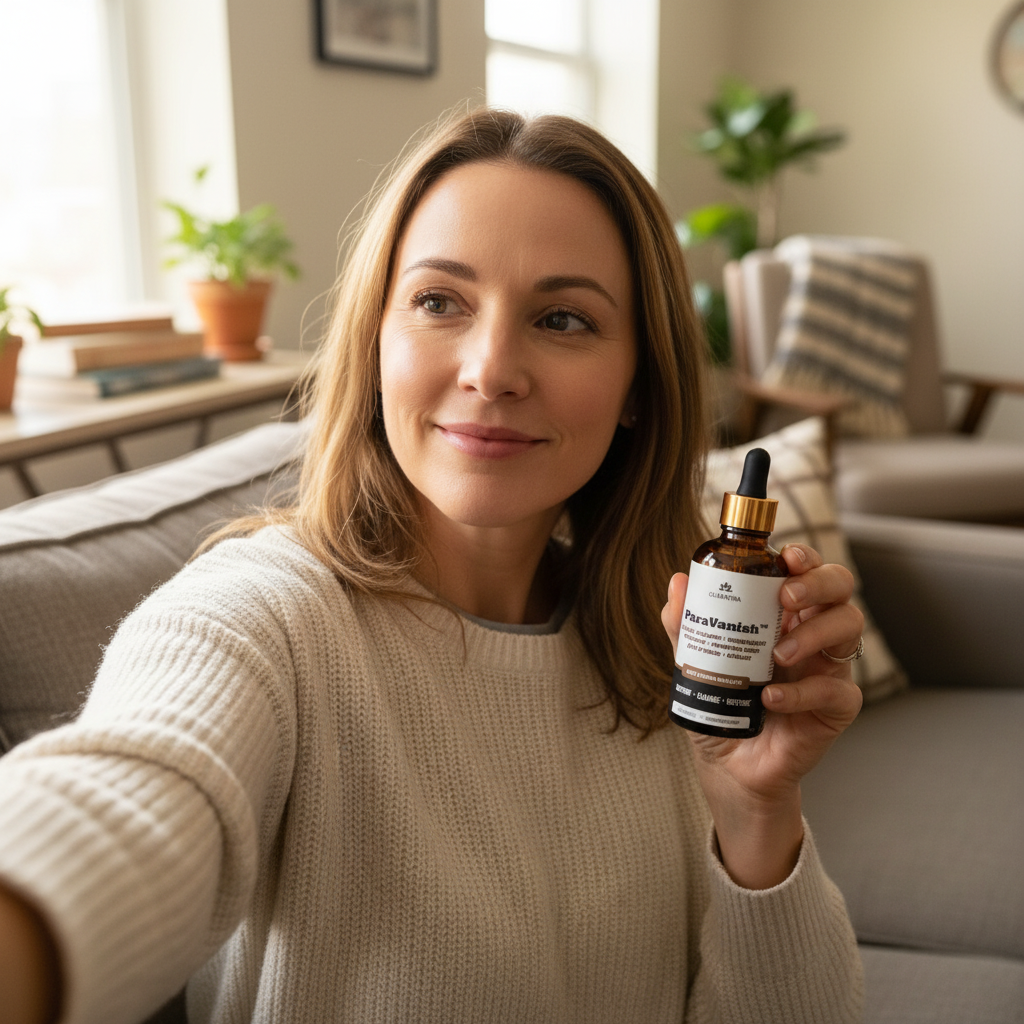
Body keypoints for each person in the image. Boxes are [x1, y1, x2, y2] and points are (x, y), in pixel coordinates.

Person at [0, 107, 865, 1024]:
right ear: (377, 342)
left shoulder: (676, 651)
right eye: (439, 301)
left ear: (639, 389)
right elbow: (128, 802)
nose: (491, 368)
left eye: (563, 318)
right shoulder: (262, 618)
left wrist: (756, 814)